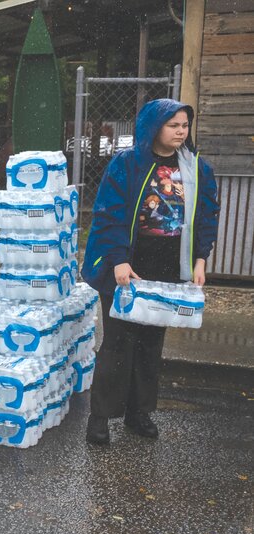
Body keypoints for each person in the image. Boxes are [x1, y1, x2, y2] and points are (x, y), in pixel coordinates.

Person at [81, 99, 219, 444]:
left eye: (184, 125)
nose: (180, 131)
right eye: (173, 125)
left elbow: (206, 215)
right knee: (118, 340)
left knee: (150, 342)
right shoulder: (128, 164)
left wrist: (200, 260)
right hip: (128, 259)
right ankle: (99, 418)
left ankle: (138, 413)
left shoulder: (197, 168)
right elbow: (108, 213)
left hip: (169, 261)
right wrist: (117, 260)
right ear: (153, 126)